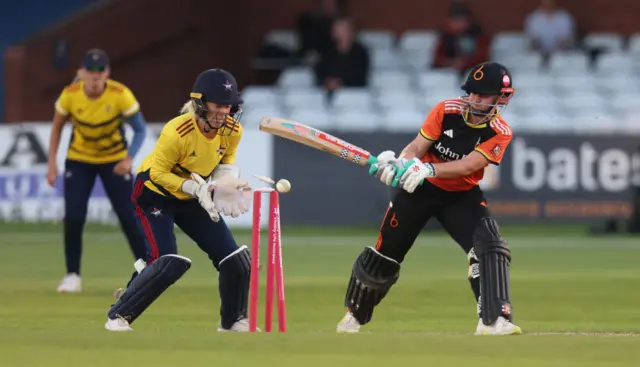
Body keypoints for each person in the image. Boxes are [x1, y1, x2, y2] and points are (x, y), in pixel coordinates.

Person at [336, 62, 522, 336]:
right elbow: (415, 148)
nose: (474, 99)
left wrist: (429, 168)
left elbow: (469, 165)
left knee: (490, 248)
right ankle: (353, 317)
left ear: (500, 98)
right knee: (385, 255)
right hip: (418, 190)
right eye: (471, 92)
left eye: (482, 95)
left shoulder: (500, 132)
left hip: (461, 196)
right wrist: (400, 164)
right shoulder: (446, 110)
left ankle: (493, 321)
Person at [104, 68, 254, 333]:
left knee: (234, 259)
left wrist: (225, 180)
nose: (224, 112)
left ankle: (232, 322)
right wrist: (195, 189)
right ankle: (118, 315)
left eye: (228, 106)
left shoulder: (233, 129)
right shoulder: (177, 131)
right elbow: (158, 173)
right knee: (166, 261)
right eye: (218, 105)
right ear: (200, 103)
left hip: (191, 195)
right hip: (154, 194)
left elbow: (226, 159)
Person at [47, 49, 148, 293]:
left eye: (99, 72)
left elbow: (140, 129)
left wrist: (128, 158)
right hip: (79, 159)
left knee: (129, 217)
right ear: (81, 72)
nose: (94, 77)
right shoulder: (70, 95)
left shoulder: (119, 94)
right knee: (74, 216)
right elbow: (57, 127)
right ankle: (72, 275)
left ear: (107, 73)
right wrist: (52, 162)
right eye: (90, 72)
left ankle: (148, 270)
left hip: (114, 161)